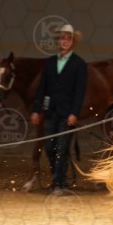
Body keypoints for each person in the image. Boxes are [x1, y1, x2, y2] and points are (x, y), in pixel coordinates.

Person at [30, 24, 87, 195]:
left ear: (72, 42)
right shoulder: (49, 63)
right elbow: (42, 88)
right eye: (62, 38)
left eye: (68, 39)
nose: (65, 41)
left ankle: (57, 183)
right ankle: (60, 180)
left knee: (62, 147)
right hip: (50, 112)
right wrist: (36, 109)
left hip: (66, 114)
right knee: (49, 147)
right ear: (58, 41)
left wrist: (74, 113)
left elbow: (79, 92)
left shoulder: (79, 64)